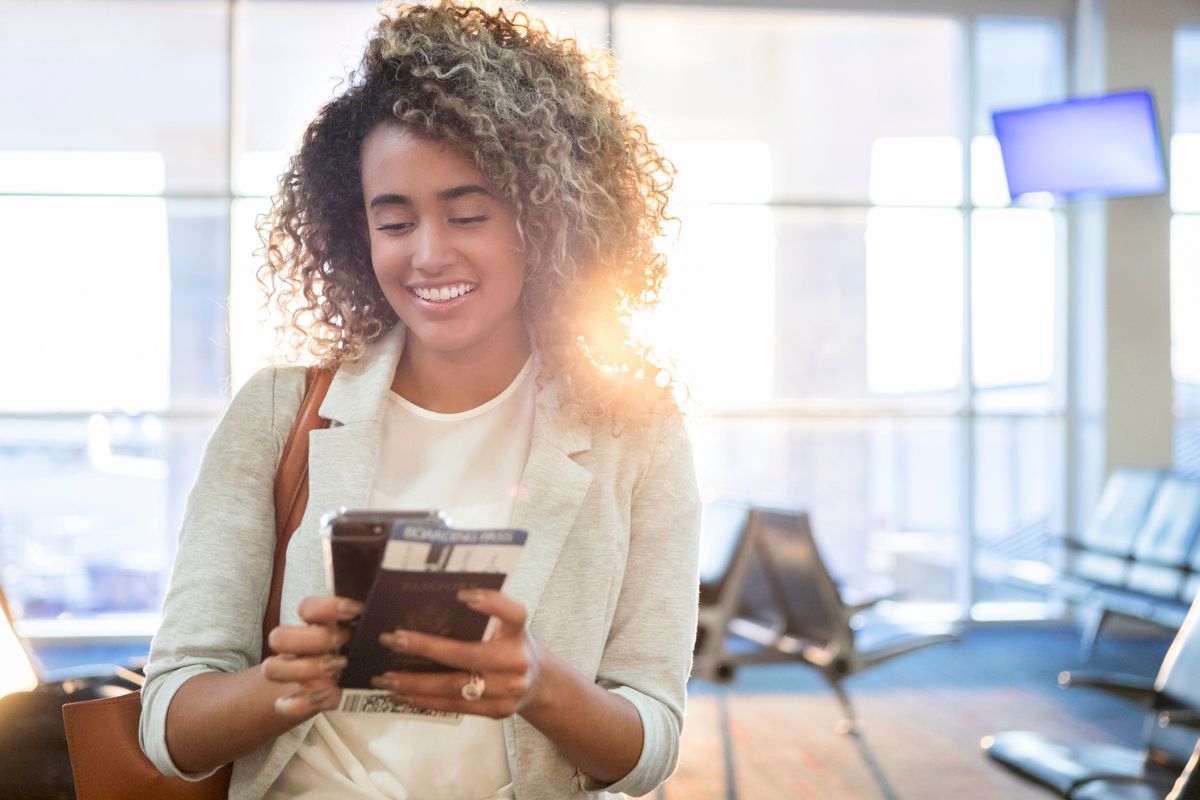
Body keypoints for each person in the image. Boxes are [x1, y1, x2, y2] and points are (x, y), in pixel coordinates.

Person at [138, 3, 701, 799]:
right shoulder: (276, 413)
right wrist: (288, 684)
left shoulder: (632, 434)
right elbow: (169, 727)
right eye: (394, 221)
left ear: (543, 220)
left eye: (467, 215)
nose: (429, 255)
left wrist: (538, 684)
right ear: (354, 230)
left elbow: (650, 744)